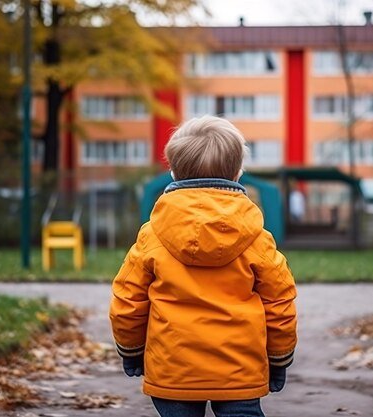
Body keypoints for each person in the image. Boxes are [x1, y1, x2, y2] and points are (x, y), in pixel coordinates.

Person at [109, 115, 298, 417]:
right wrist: (279, 357)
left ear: (172, 172)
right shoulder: (257, 239)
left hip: (173, 369)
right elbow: (279, 301)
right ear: (238, 174)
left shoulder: (153, 234)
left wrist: (131, 349)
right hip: (239, 369)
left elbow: (128, 299)